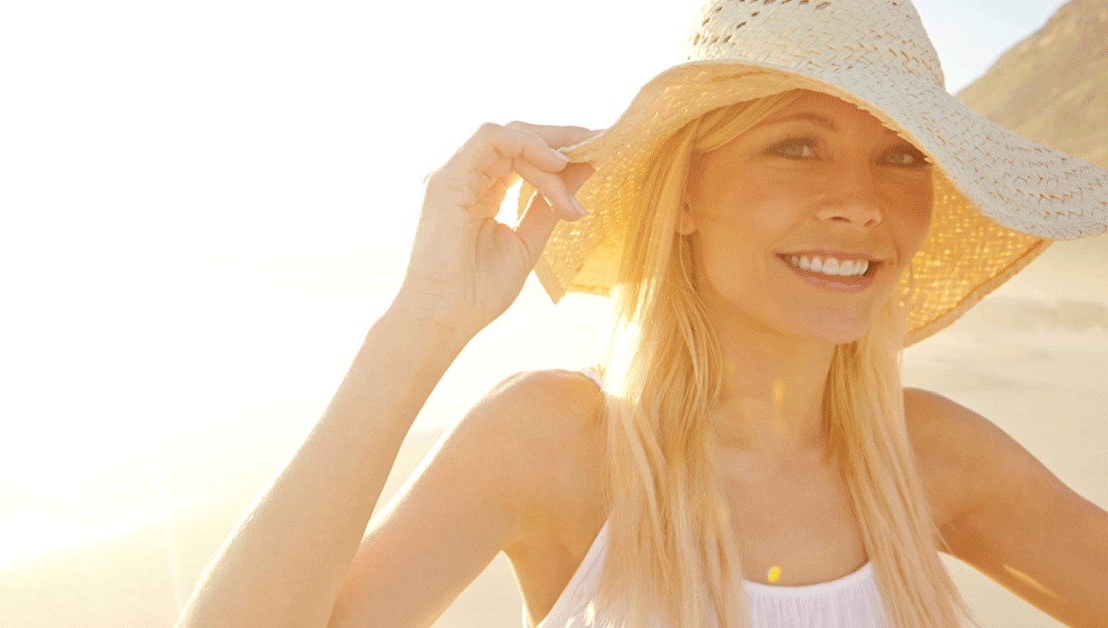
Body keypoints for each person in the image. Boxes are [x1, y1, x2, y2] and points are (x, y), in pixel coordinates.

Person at [175, 1, 1108, 627]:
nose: (860, 202)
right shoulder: (556, 441)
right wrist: (420, 327)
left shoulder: (934, 457)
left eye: (903, 157)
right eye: (796, 145)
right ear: (686, 196)